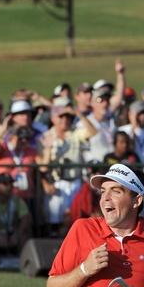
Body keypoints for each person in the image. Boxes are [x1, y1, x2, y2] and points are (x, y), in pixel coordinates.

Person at [39, 99, 94, 233]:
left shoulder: (75, 133)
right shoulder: (45, 136)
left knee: (75, 220)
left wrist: (78, 113)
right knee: (54, 222)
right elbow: (42, 167)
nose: (65, 120)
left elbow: (93, 132)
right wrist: (47, 149)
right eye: (61, 116)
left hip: (75, 182)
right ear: (53, 118)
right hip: (56, 183)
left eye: (68, 116)